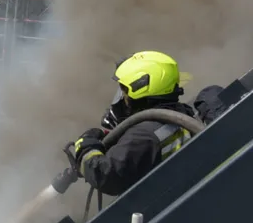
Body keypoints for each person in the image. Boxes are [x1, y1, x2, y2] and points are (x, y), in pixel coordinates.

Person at [71, 51, 229, 197]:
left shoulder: (144, 135)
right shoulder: (181, 113)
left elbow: (107, 176)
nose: (123, 96)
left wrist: (86, 149)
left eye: (125, 90)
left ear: (141, 87)